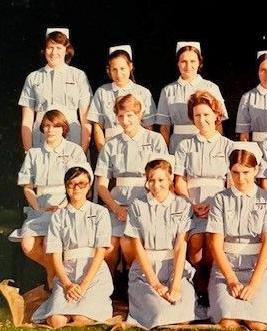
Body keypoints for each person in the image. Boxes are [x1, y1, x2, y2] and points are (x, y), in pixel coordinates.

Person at [206, 142, 267, 329]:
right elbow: (215, 245)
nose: (240, 179)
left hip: (260, 270)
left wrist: (254, 284)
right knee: (228, 322)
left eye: (246, 172)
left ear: (256, 169)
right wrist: (231, 280)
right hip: (227, 270)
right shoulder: (220, 199)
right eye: (235, 172)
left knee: (257, 324)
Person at [124, 157, 205, 329]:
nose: (156, 185)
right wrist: (155, 284)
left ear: (170, 179)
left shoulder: (182, 205)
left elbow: (180, 246)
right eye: (151, 180)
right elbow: (137, 248)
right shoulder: (137, 206)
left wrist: (175, 286)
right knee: (160, 314)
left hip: (176, 269)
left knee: (184, 312)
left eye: (161, 179)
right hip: (146, 272)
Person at [32, 163, 113, 328]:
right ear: (66, 187)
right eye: (71, 184)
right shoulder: (59, 216)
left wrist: (83, 285)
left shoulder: (100, 213)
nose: (76, 188)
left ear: (89, 187)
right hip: (67, 274)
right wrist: (67, 284)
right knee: (56, 321)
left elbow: (100, 253)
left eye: (81, 184)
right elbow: (55, 254)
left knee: (81, 319)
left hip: (93, 275)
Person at [11, 110, 87, 288]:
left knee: (50, 243)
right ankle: (53, 271)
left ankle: (55, 286)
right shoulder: (33, 154)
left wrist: (64, 205)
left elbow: (81, 182)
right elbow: (27, 187)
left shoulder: (74, 150)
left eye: (55, 126)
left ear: (63, 129)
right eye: (46, 126)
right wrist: (38, 207)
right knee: (28, 245)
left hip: (67, 205)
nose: (50, 130)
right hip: (40, 207)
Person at [95, 94, 168, 272]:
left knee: (129, 243)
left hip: (146, 203)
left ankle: (133, 277)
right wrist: (116, 208)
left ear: (139, 115)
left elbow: (163, 178)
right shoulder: (111, 145)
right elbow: (101, 185)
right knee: (110, 246)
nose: (125, 120)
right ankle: (112, 280)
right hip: (117, 206)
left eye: (130, 115)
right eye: (120, 116)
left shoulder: (155, 140)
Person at [173, 90, 232, 279]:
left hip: (220, 207)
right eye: (197, 115)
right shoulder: (185, 146)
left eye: (206, 114)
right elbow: (179, 180)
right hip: (192, 206)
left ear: (216, 115)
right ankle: (198, 283)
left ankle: (212, 285)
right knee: (196, 240)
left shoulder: (228, 146)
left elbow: (232, 182)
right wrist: (191, 204)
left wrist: (215, 204)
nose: (202, 119)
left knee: (212, 240)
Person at [19, 28, 92, 152]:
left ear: (66, 50)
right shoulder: (33, 78)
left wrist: (82, 151)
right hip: (41, 139)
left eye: (59, 47)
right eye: (50, 47)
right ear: (44, 50)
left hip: (72, 139)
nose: (54, 52)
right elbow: (27, 120)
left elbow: (85, 119)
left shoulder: (78, 76)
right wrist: (28, 152)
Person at [156, 41, 229, 153]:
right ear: (178, 63)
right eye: (183, 61)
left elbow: (218, 123)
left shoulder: (211, 87)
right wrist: (165, 156)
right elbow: (165, 128)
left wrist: (217, 149)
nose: (188, 66)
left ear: (199, 62)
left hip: (206, 143)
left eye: (193, 61)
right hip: (177, 144)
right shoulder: (168, 90)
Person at [88, 45, 157, 151]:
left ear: (131, 66)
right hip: (110, 145)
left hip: (137, 145)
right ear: (109, 70)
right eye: (114, 69)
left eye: (122, 68)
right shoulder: (102, 92)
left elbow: (148, 126)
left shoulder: (143, 92)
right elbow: (97, 126)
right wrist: (102, 151)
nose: (119, 74)